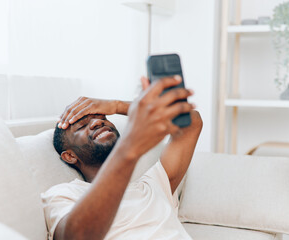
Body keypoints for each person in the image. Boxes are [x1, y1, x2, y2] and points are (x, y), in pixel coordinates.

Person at [41, 76, 203, 240]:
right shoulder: (64, 194)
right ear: (69, 156)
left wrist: (115, 105)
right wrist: (130, 147)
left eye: (103, 118)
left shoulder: (152, 185)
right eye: (82, 126)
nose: (98, 122)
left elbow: (192, 121)